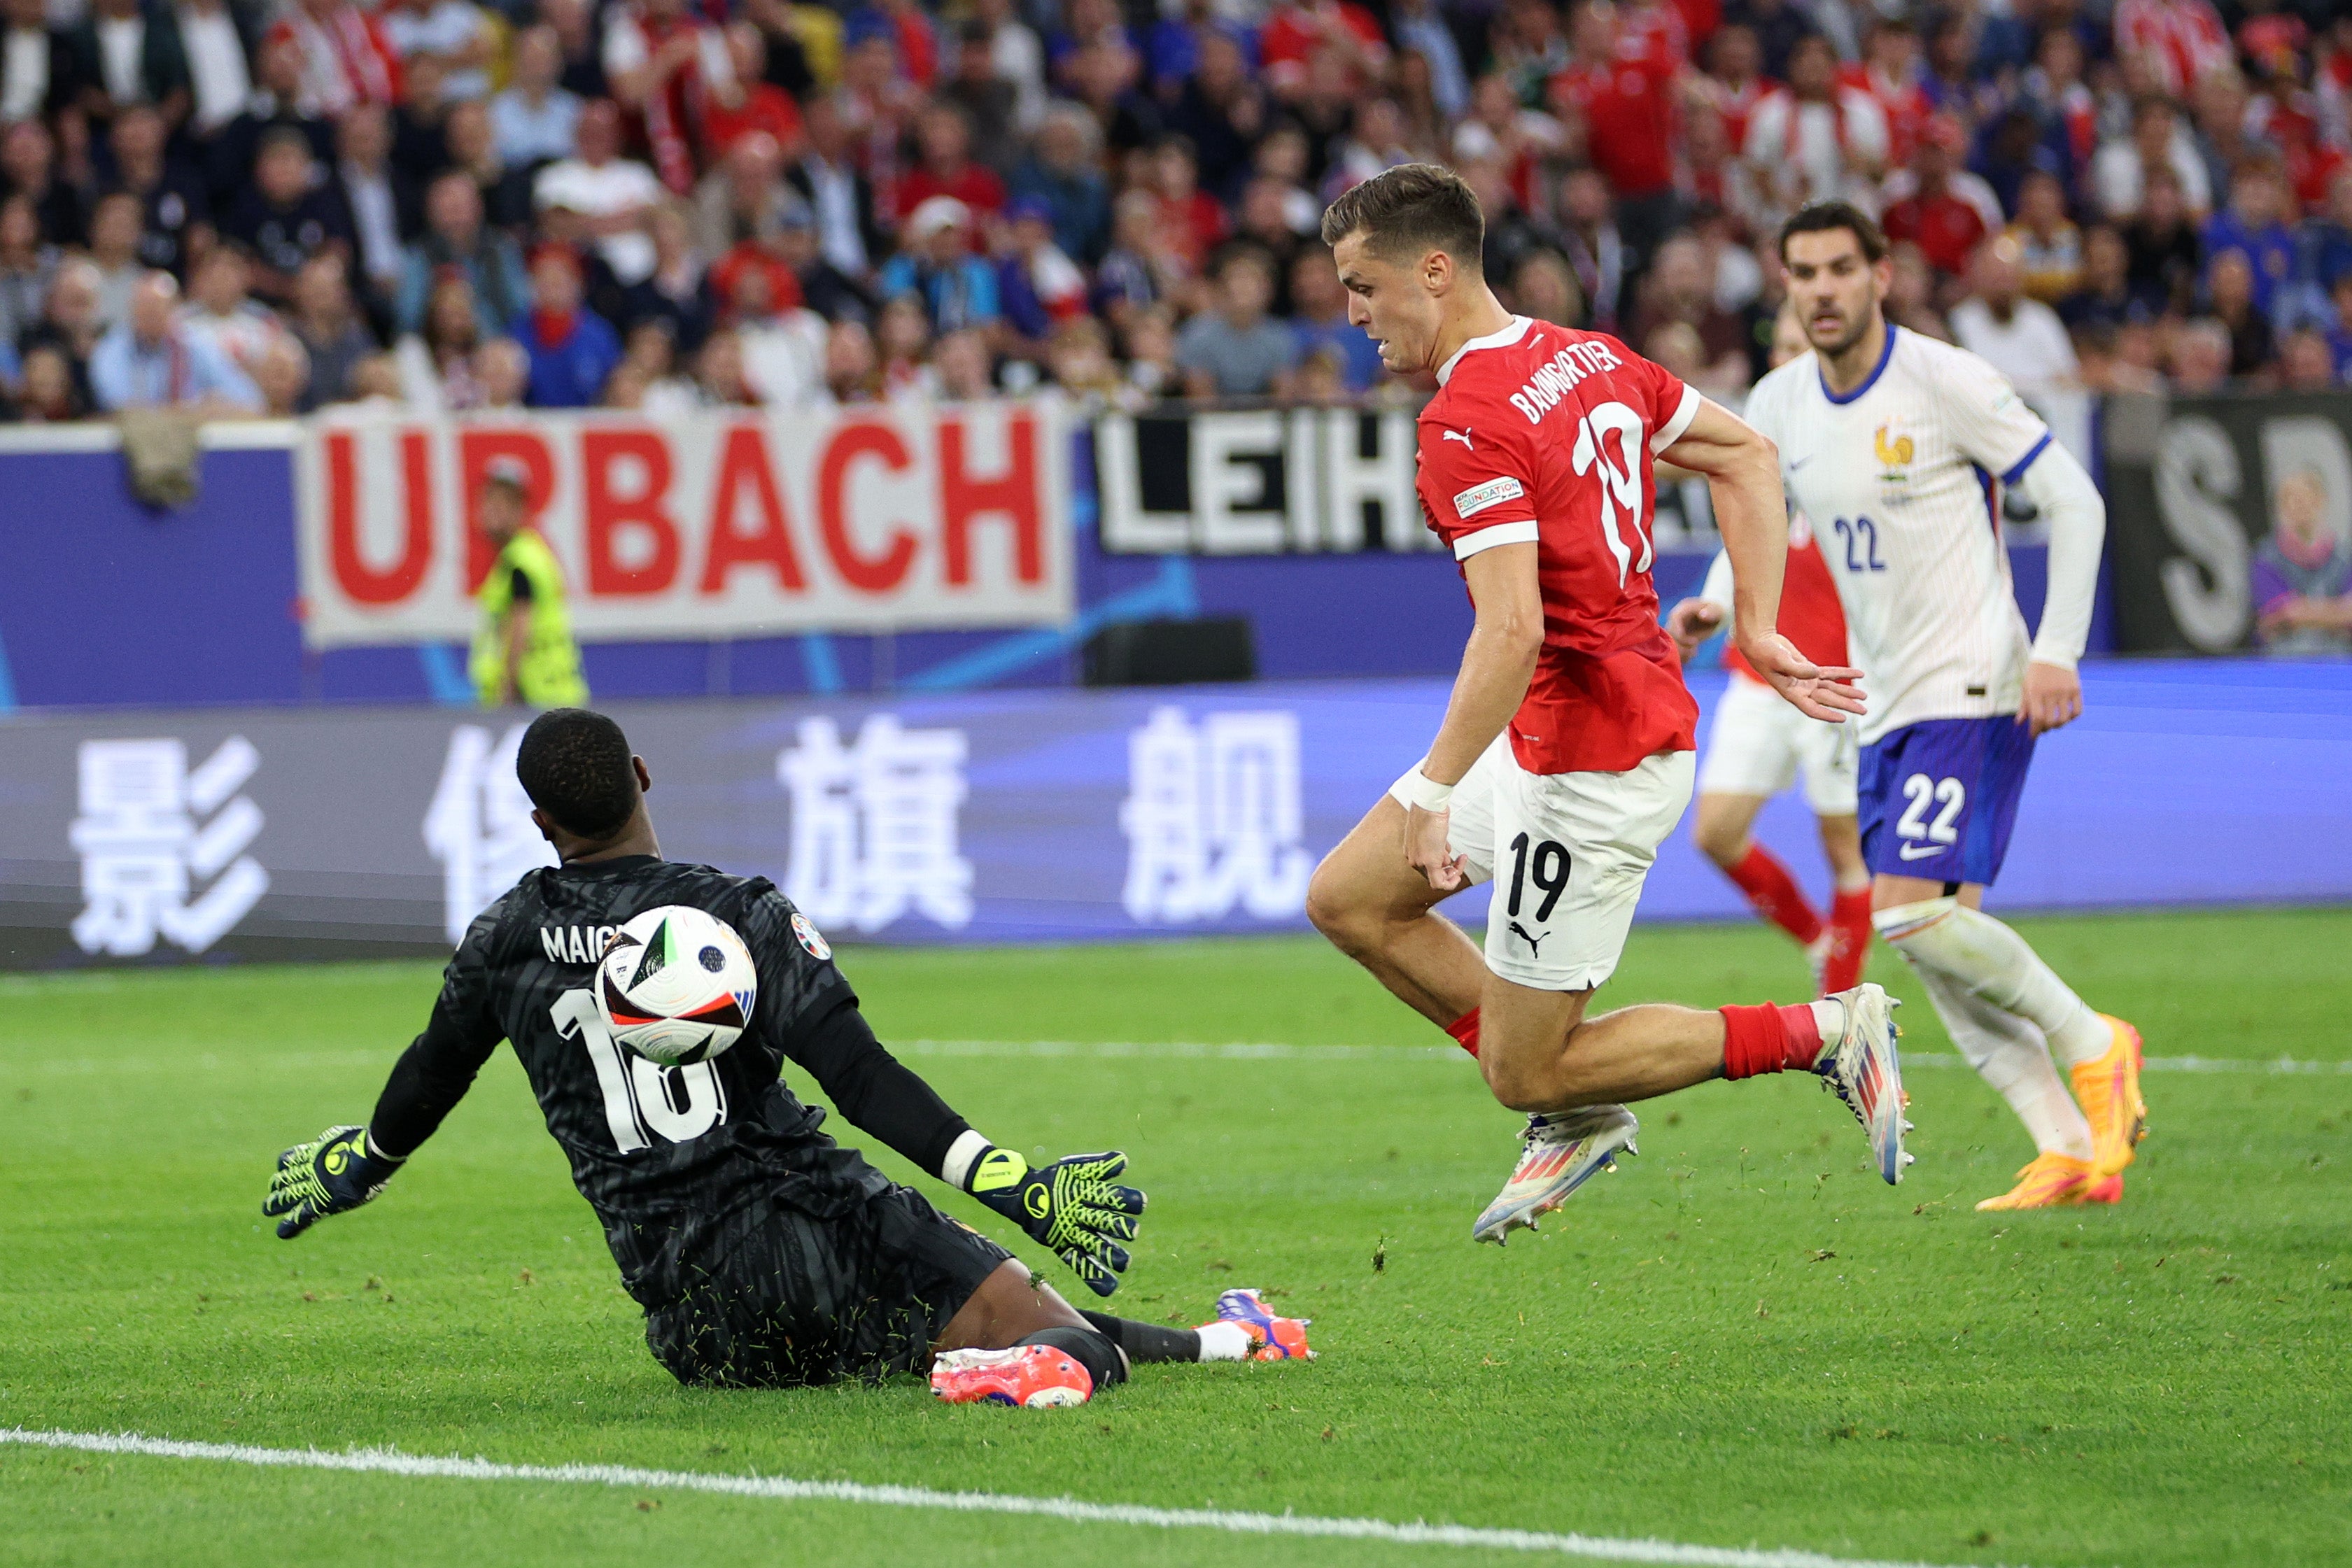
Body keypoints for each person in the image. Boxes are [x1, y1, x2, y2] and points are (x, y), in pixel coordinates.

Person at [262, 707, 1312, 1406]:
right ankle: (1019, 1375)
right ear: (640, 773)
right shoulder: (735, 915)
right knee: (1069, 1343)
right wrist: (1018, 1184)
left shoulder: (506, 939)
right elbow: (858, 1080)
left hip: (699, 1326)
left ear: (541, 824)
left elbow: (431, 1073)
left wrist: (356, 1164)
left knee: (1021, 1310)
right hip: (816, 1231)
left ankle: (1231, 1338)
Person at [1301, 164, 1901, 1246]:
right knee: (1349, 897)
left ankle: (1823, 1027)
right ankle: (1569, 1106)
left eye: (1362, 285)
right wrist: (1758, 625)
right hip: (1564, 731)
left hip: (1591, 763)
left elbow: (1511, 627)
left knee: (1521, 1067)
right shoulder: (1582, 354)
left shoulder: (1464, 422)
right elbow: (1745, 454)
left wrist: (1435, 792)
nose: (1352, 314)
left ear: (1432, 272)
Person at [1741, 200, 2146, 1213]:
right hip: (1885, 701)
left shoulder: (1945, 381)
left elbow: (2076, 500)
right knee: (1933, 938)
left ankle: (2098, 1045)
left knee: (1912, 913)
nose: (1822, 288)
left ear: (1882, 275)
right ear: (1783, 284)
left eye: (1841, 268)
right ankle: (2068, 1148)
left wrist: (2055, 649)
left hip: (1974, 677)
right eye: (1804, 272)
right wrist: (1726, 601)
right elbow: (1767, 518)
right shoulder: (1780, 400)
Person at [1663, 301, 1872, 998]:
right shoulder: (1753, 441)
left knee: (1845, 850)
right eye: (1778, 349)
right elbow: (1744, 542)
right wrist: (1717, 609)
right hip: (1759, 675)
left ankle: (1844, 1016)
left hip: (1836, 678)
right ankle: (1821, 943)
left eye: (1798, 348)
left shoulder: (1864, 443)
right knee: (1716, 833)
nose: (1785, 361)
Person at [469, 455, 588, 707]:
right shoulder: (527, 554)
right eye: (490, 499)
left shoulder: (520, 561)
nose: (495, 508)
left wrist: (507, 689)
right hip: (551, 695)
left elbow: (521, 624)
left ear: (521, 509)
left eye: (506, 502)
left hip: (534, 697)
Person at [88, 268, 264, 413]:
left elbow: (251, 400)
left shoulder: (195, 344)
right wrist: (185, 411)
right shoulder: (113, 348)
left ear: (175, 310)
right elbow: (117, 403)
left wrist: (212, 406)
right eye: (145, 308)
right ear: (133, 310)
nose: (152, 316)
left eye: (159, 308)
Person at [2253, 468, 2352, 655]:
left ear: (2321, 500)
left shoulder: (2344, 556)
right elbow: (2282, 613)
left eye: (2307, 497)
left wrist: (2303, 612)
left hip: (2339, 657)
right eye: (2293, 499)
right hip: (2287, 658)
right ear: (2282, 506)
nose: (2301, 505)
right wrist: (2335, 612)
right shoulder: (2267, 557)